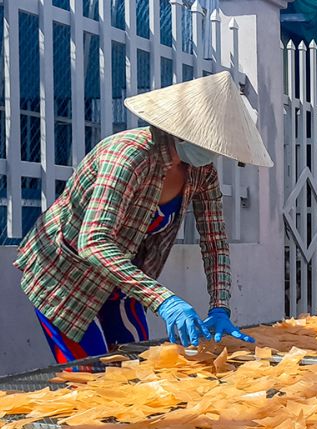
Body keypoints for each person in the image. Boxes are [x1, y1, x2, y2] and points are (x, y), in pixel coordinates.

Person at [15, 72, 271, 363]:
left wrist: (220, 307)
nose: (213, 152)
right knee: (91, 378)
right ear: (184, 130)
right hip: (67, 275)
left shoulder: (201, 172)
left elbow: (214, 242)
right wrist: (165, 300)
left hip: (124, 279)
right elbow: (94, 242)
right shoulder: (127, 156)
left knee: (138, 366)